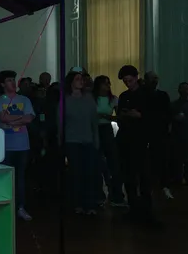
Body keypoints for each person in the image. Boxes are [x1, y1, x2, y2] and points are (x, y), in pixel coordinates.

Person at [116, 65, 157, 225]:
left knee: (145, 177)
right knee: (130, 177)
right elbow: (120, 115)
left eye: (130, 80)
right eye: (125, 81)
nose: (128, 83)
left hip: (142, 140)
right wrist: (124, 116)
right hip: (127, 140)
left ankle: (147, 210)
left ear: (136, 78)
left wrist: (140, 115)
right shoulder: (124, 95)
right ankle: (133, 207)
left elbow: (156, 116)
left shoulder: (148, 94)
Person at [0, 70, 35, 221]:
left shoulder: (24, 99)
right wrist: (20, 118)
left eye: (13, 79)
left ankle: (20, 207)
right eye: (9, 80)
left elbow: (29, 118)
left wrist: (12, 121)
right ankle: (5, 207)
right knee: (5, 178)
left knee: (21, 178)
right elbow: (1, 117)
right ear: (3, 84)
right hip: (5, 146)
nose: (13, 82)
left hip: (22, 145)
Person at [63, 70, 99, 214]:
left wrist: (96, 140)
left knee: (89, 173)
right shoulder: (65, 100)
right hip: (72, 141)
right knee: (75, 173)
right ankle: (77, 203)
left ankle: (89, 204)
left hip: (88, 140)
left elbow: (94, 122)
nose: (81, 81)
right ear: (71, 82)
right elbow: (61, 123)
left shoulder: (89, 98)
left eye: (81, 79)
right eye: (77, 78)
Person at [93, 75, 126, 208]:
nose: (107, 86)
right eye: (104, 84)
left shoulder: (113, 99)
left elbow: (119, 117)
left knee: (114, 163)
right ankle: (98, 195)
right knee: (97, 163)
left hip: (107, 129)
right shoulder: (92, 99)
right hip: (94, 130)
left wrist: (107, 116)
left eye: (108, 83)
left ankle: (116, 195)